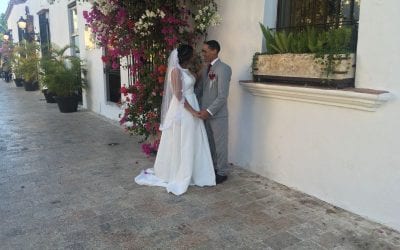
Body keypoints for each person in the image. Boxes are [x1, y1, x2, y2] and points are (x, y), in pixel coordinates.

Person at [135, 44, 216, 195]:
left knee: (193, 138)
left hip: (192, 102)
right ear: (187, 56)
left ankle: (196, 171)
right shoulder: (175, 71)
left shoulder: (187, 70)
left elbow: (191, 84)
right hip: (183, 109)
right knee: (183, 139)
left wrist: (205, 70)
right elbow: (179, 96)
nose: (194, 56)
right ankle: (180, 171)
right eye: (192, 54)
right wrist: (193, 112)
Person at [195, 40, 232, 184]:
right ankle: (213, 168)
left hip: (217, 115)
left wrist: (209, 111)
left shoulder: (224, 68)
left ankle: (222, 172)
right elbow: (200, 91)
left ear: (214, 50)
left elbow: (222, 96)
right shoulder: (205, 69)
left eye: (205, 51)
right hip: (203, 113)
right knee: (209, 143)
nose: (202, 54)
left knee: (220, 144)